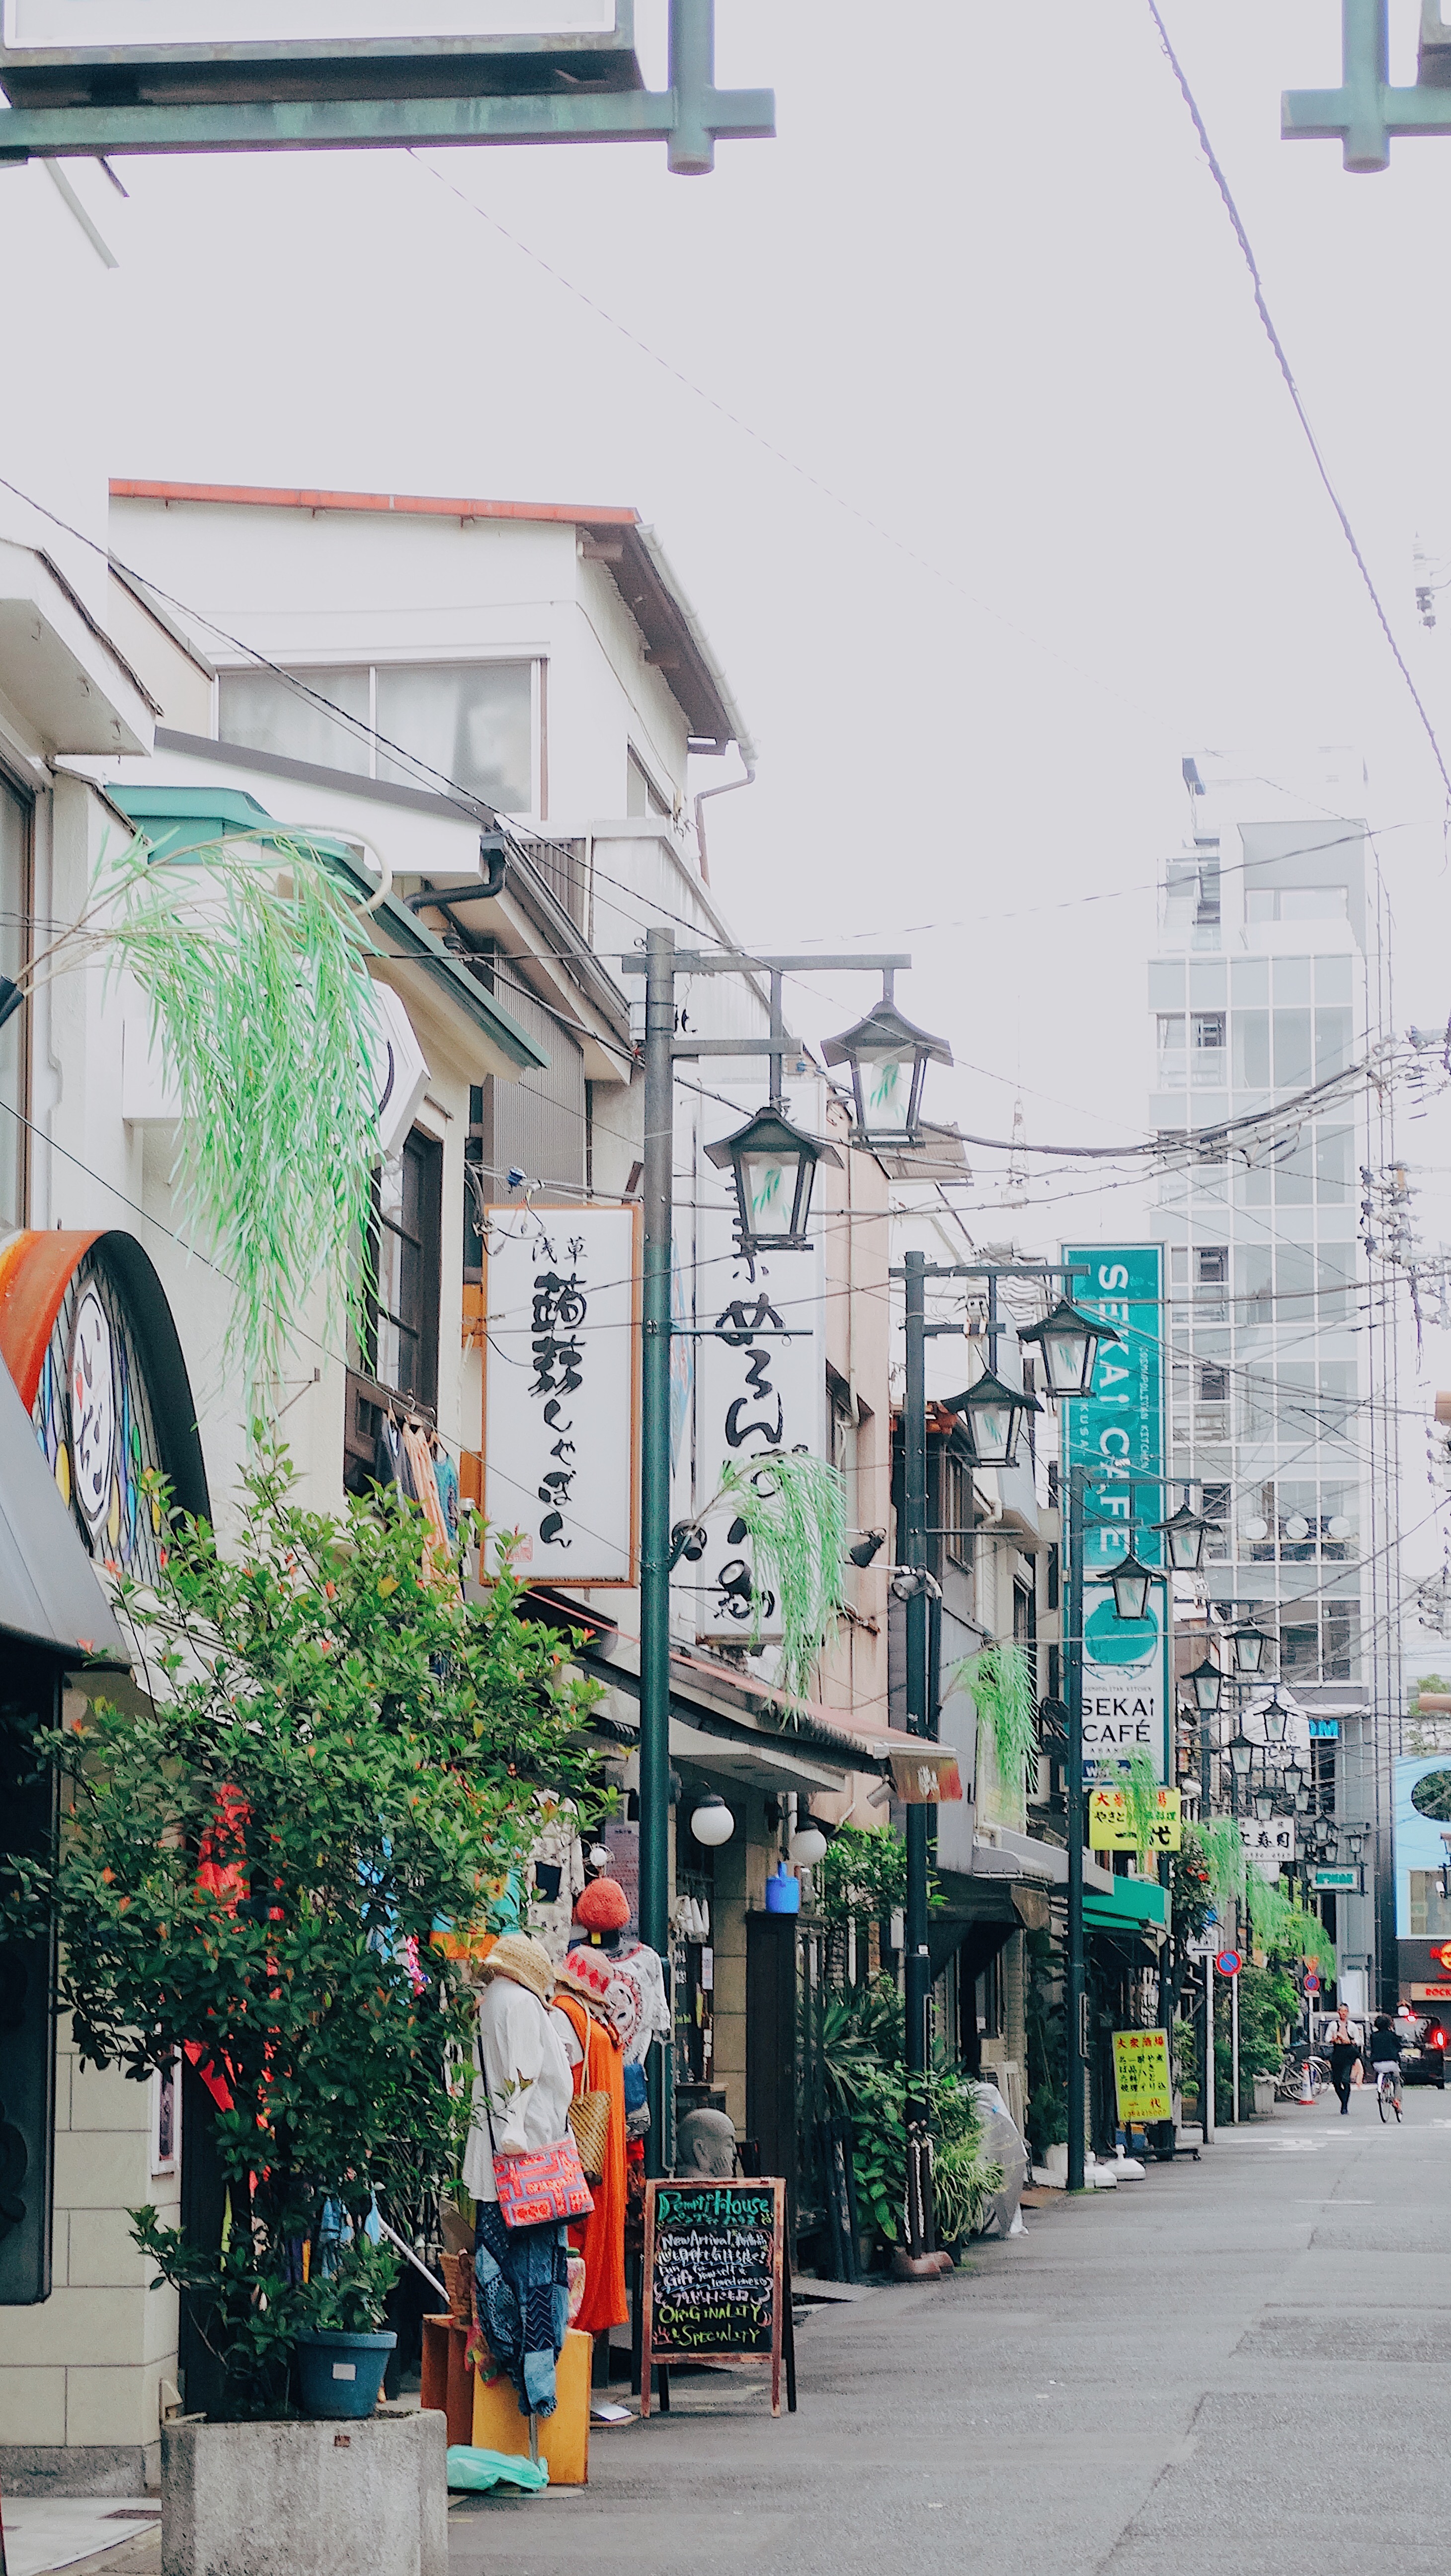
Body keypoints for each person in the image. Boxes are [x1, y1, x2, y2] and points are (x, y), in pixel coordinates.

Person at [462, 1932, 576, 2417]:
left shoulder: (491, 2004)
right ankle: (536, 2390)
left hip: (497, 2169)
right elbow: (525, 2073)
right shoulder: (523, 2006)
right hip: (531, 2165)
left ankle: (512, 2367)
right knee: (536, 2282)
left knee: (500, 2273)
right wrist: (514, 2130)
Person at [1325, 2002, 1361, 2115]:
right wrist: (1334, 2039)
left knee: (1346, 2080)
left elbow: (1359, 2040)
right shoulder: (1333, 2025)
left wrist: (1350, 2041)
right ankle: (1343, 2100)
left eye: (1345, 2011)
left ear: (1348, 2013)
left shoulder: (1352, 2026)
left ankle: (1345, 2106)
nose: (1343, 2014)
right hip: (1337, 2053)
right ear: (1338, 2012)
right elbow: (1327, 2038)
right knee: (1336, 2081)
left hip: (1348, 2053)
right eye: (1341, 2011)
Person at [1368, 2012, 1403, 2108]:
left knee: (1381, 2072)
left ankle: (1383, 2086)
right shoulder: (1392, 2036)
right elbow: (1399, 2047)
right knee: (1397, 2081)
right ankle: (1397, 2100)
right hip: (1391, 2063)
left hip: (1377, 2064)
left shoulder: (1373, 2036)